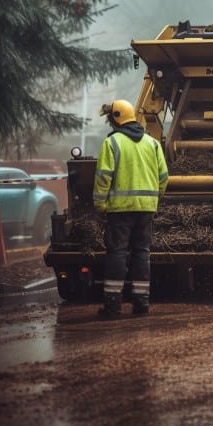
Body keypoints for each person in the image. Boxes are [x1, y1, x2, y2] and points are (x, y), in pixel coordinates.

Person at [93, 99, 169, 318]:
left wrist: (100, 205)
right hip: (146, 209)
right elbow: (163, 178)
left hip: (120, 210)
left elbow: (103, 178)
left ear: (116, 119)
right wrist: (154, 198)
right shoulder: (152, 143)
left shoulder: (112, 143)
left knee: (117, 253)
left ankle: (113, 306)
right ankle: (141, 304)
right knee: (142, 253)